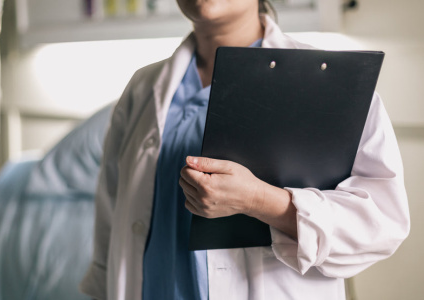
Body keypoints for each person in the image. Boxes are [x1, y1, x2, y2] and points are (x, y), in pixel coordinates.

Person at [80, 0, 410, 299]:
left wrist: (259, 201)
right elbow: (111, 216)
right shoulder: (142, 87)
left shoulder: (331, 82)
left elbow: (382, 223)